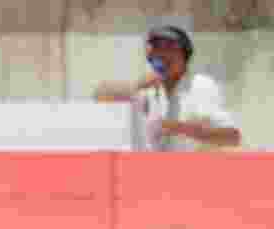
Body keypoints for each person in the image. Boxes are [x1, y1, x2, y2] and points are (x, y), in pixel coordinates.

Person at [92, 25, 241, 151]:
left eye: (169, 48)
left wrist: (176, 128)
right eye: (156, 48)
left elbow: (232, 137)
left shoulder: (200, 85)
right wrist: (136, 86)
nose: (162, 54)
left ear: (185, 55)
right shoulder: (149, 89)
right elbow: (100, 94)